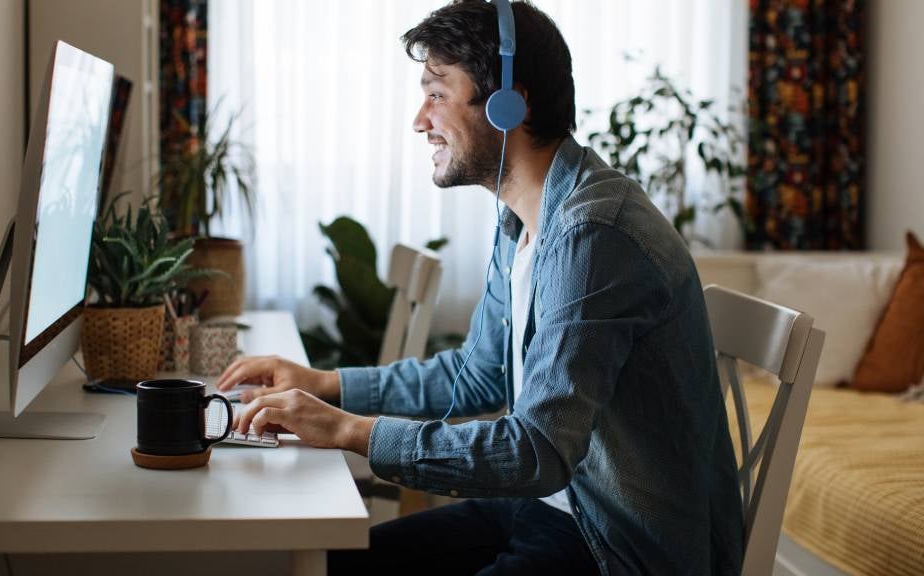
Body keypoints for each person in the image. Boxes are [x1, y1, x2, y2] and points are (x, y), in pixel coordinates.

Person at [217, 1, 744, 574]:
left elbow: (538, 452)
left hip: (613, 544)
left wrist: (349, 430)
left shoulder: (594, 235)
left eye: (438, 93)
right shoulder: (522, 215)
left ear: (507, 102)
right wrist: (328, 384)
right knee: (330, 565)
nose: (420, 119)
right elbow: (478, 372)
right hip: (550, 509)